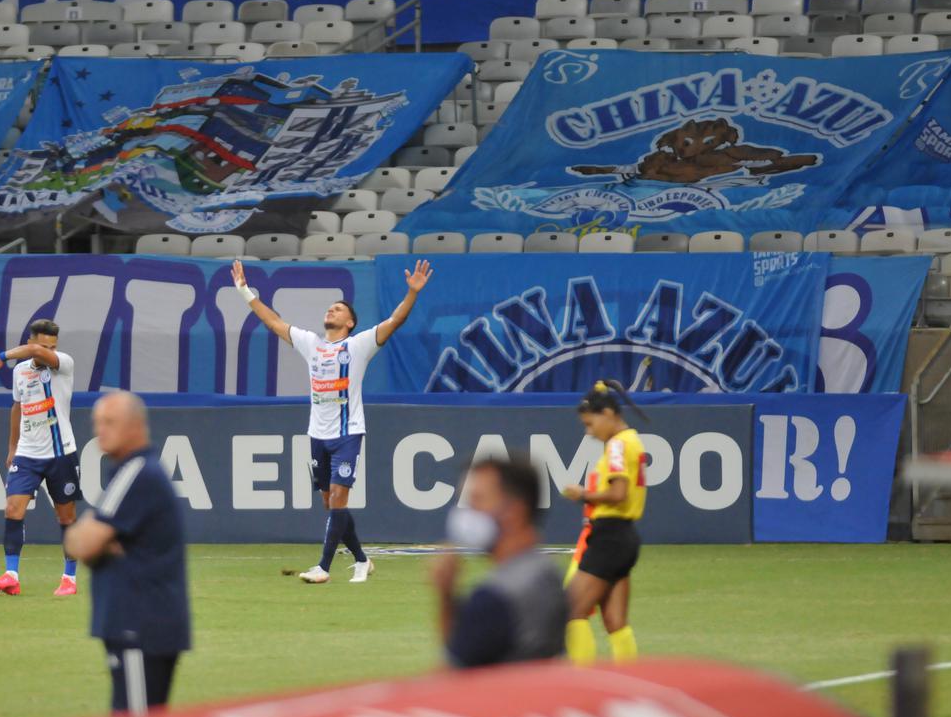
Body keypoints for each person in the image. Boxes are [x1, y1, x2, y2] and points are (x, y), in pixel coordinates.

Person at [231, 258, 433, 584]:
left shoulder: (359, 346)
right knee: (329, 503)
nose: (331, 311)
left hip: (348, 433)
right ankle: (362, 559)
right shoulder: (312, 345)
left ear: (351, 322)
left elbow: (395, 320)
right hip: (317, 434)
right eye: (330, 308)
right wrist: (244, 291)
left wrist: (412, 294)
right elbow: (274, 323)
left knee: (339, 498)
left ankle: (323, 568)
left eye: (338, 309)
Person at [64, 391, 191, 716]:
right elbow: (87, 543)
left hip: (138, 626)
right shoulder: (137, 472)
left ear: (135, 426)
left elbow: (80, 544)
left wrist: (95, 535)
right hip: (147, 624)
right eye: (97, 423)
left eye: (109, 422)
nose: (99, 431)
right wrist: (100, 538)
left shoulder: (136, 473)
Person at [432, 455, 567, 668]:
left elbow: (453, 676)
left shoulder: (494, 598)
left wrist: (445, 597)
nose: (467, 513)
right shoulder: (549, 574)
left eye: (477, 500)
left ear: (513, 511)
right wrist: (448, 595)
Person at [0, 319, 80, 597]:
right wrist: (12, 447)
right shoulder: (21, 372)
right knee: (13, 509)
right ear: (30, 341)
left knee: (66, 518)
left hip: (61, 453)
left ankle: (69, 578)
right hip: (28, 453)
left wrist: (0, 357)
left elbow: (35, 354)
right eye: (42, 345)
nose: (48, 351)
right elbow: (17, 406)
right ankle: (11, 575)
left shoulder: (64, 363)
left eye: (53, 346)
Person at [560, 380, 648, 665]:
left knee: (571, 611)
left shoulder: (618, 446)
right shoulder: (631, 440)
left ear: (608, 414)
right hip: (624, 537)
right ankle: (632, 684)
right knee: (615, 622)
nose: (589, 432)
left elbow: (619, 493)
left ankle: (582, 684)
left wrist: (582, 494)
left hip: (609, 536)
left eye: (590, 424)